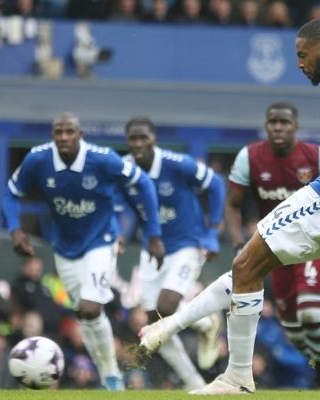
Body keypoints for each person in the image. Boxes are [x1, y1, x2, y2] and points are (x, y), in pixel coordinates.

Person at [140, 18, 320, 394]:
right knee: (250, 267)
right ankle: (174, 329)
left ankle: (236, 376)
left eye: (302, 55)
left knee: (247, 265)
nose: (299, 64)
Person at [3, 112, 164, 390]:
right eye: (58, 132)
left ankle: (112, 375)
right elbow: (11, 192)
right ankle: (108, 373)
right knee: (84, 314)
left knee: (91, 308)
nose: (63, 137)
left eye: (69, 132)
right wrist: (15, 230)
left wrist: (153, 234)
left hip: (101, 240)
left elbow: (144, 184)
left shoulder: (102, 158)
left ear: (81, 135)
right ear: (52, 136)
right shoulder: (38, 159)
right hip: (64, 247)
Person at [227, 101, 320, 387]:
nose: (278, 127)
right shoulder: (248, 157)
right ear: (266, 126)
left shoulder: (318, 156)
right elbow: (232, 205)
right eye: (273, 122)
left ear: (295, 127)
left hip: (314, 241)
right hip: (276, 248)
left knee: (311, 312)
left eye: (284, 122)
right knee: (292, 328)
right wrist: (238, 242)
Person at [122, 116, 225, 389]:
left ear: (154, 139)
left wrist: (212, 232)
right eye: (133, 138)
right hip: (151, 248)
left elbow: (216, 185)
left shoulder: (177, 164)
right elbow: (122, 207)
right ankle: (195, 382)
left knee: (166, 307)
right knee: (154, 324)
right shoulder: (125, 169)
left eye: (144, 137)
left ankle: (204, 325)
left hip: (187, 244)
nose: (138, 143)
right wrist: (120, 235)